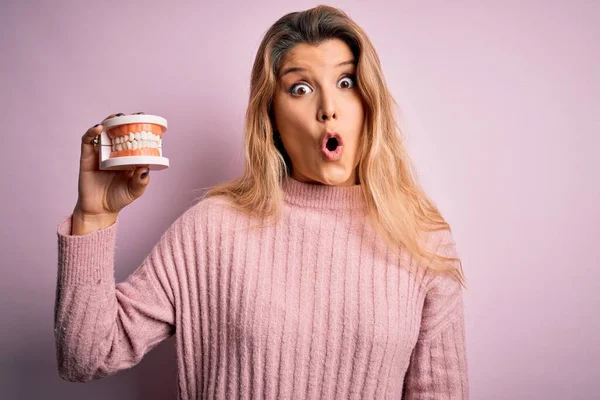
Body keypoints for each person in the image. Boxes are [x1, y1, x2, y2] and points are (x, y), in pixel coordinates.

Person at [55, 5, 469, 399]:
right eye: (300, 88)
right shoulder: (212, 230)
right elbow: (85, 357)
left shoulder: (423, 239)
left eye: (345, 83)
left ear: (369, 102)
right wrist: (94, 215)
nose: (328, 108)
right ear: (270, 116)